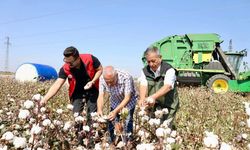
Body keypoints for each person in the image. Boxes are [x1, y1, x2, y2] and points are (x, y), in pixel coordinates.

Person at [40, 46, 103, 144]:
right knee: (76, 114)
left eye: (70, 62)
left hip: (92, 89)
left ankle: (91, 141)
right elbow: (57, 84)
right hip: (77, 92)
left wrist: (93, 81)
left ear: (78, 58)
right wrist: (45, 99)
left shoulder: (90, 58)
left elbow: (100, 69)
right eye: (66, 61)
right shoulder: (65, 68)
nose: (68, 64)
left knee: (91, 115)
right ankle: (79, 140)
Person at [138, 46, 179, 126]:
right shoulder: (145, 71)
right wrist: (142, 99)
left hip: (169, 104)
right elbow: (143, 84)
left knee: (166, 127)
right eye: (148, 61)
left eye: (153, 61)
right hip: (154, 105)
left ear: (160, 58)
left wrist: (153, 97)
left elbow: (168, 86)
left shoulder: (169, 70)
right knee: (153, 126)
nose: (151, 64)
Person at [97, 66, 137, 145]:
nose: (109, 84)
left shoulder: (126, 77)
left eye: (111, 81)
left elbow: (127, 97)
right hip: (115, 102)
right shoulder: (102, 78)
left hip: (128, 103)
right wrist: (99, 109)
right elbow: (101, 95)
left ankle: (128, 144)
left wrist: (115, 111)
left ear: (116, 76)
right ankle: (112, 143)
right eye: (107, 82)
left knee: (127, 123)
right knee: (112, 123)